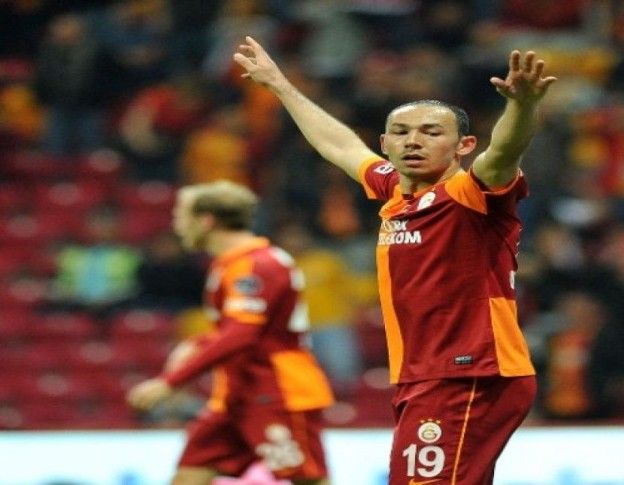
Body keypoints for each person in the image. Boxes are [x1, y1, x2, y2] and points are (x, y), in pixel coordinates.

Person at [234, 36, 556, 485]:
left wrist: (521, 107)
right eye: (401, 133)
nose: (413, 141)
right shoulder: (394, 192)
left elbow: (503, 153)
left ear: (464, 146)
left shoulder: (470, 195)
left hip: (469, 372)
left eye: (431, 132)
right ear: (385, 143)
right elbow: (340, 146)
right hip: (426, 375)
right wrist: (280, 86)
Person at [126, 180, 335, 485]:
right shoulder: (230, 265)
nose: (178, 227)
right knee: (187, 478)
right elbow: (241, 329)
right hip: (235, 396)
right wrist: (199, 342)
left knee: (308, 481)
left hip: (275, 393)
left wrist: (170, 382)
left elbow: (242, 334)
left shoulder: (257, 265)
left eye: (181, 217)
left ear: (206, 220)